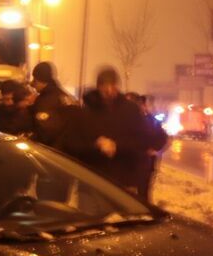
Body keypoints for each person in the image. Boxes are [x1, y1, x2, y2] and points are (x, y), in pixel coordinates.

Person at [60, 68, 161, 197]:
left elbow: (142, 141)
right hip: (91, 181)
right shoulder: (87, 111)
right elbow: (72, 143)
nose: (108, 91)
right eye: (104, 86)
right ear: (98, 87)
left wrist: (116, 145)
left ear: (117, 86)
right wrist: (96, 144)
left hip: (123, 182)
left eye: (112, 86)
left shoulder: (130, 110)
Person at [29, 62, 73, 147]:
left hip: (52, 148)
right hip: (65, 147)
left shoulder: (46, 100)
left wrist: (32, 139)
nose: (32, 84)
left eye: (35, 80)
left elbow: (46, 130)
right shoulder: (62, 95)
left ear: (43, 81)